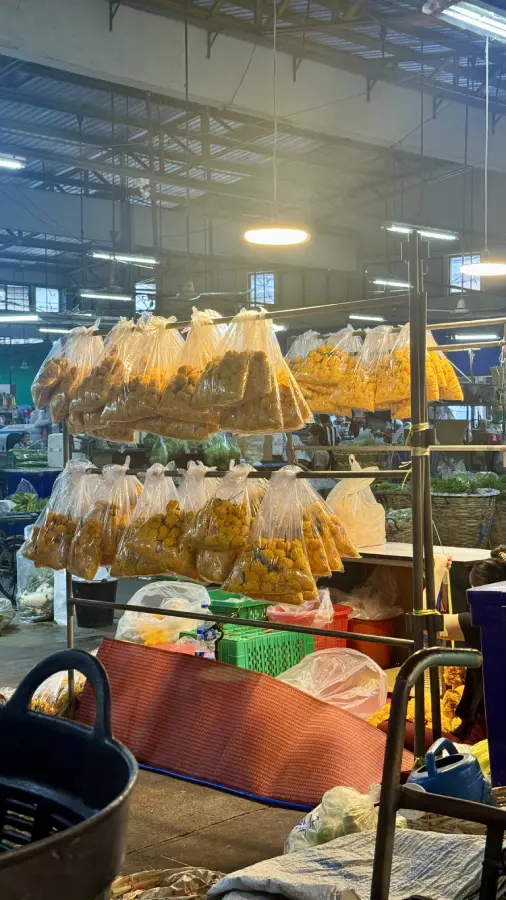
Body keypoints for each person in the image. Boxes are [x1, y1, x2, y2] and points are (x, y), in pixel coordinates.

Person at [440, 546, 506, 744]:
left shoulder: (484, 624)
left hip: (485, 739)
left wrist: (435, 571)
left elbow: (428, 624)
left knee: (388, 727)